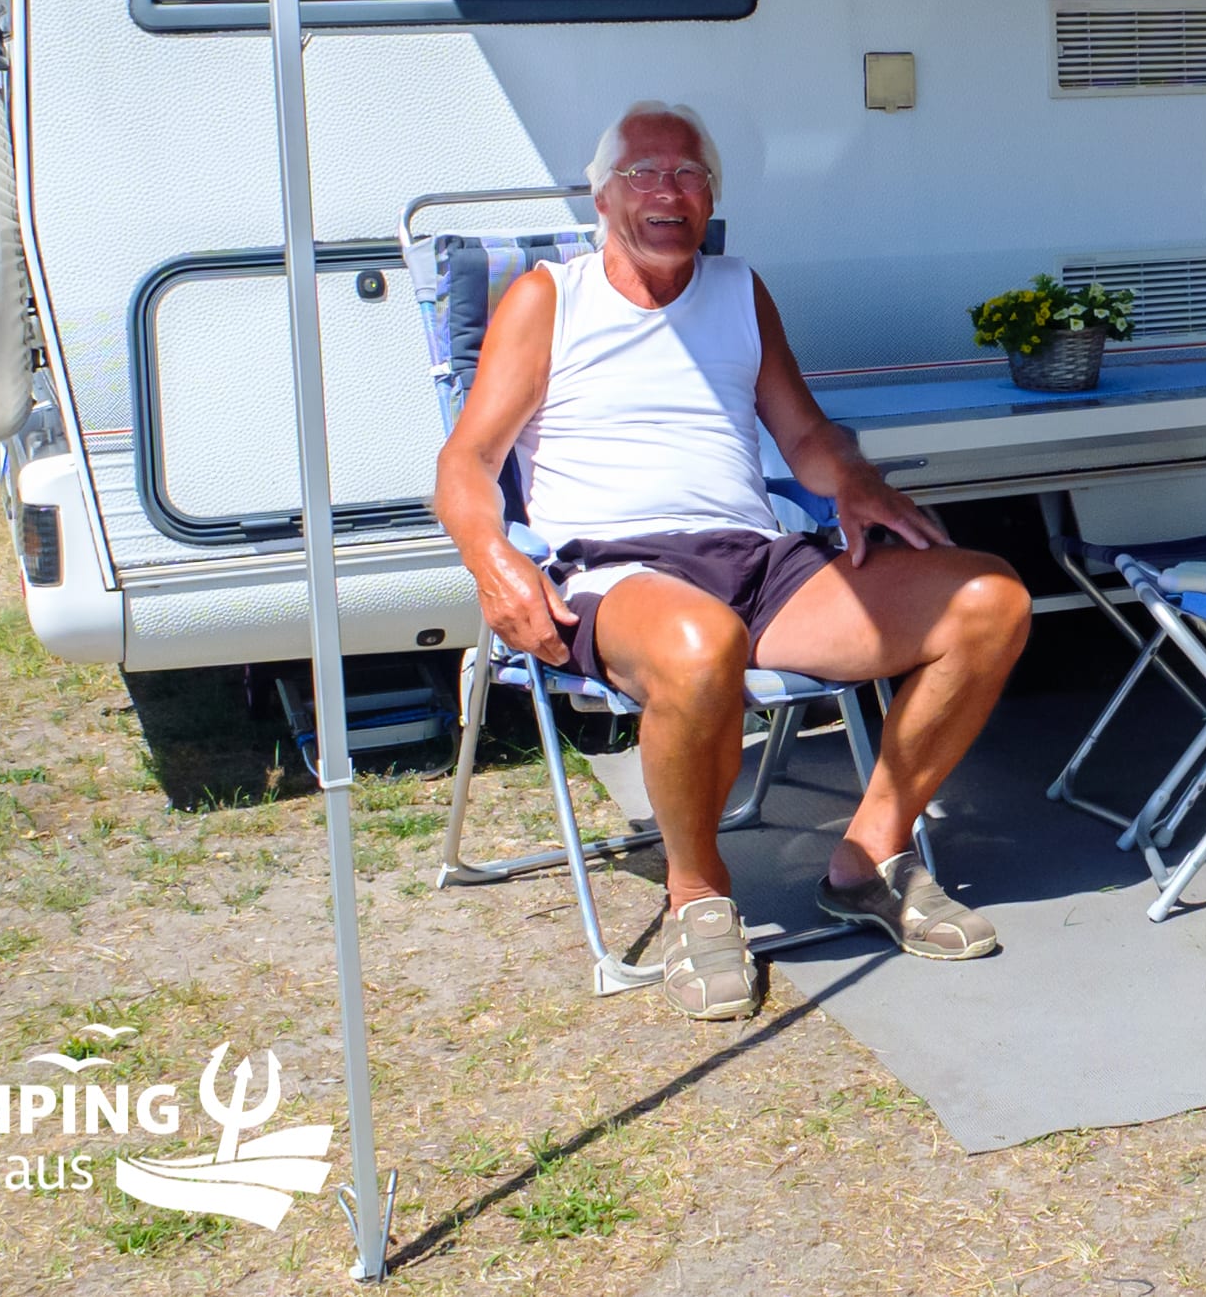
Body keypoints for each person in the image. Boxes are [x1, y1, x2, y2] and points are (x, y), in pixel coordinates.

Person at [434, 102, 1031, 1022]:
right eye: (643, 172)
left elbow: (802, 436)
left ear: (710, 195)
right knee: (700, 642)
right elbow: (467, 460)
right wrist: (493, 561)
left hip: (759, 559)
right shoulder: (550, 296)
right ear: (600, 197)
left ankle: (869, 857)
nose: (667, 190)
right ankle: (699, 896)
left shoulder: (739, 288)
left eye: (688, 174)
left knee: (989, 600)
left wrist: (854, 482)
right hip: (616, 566)